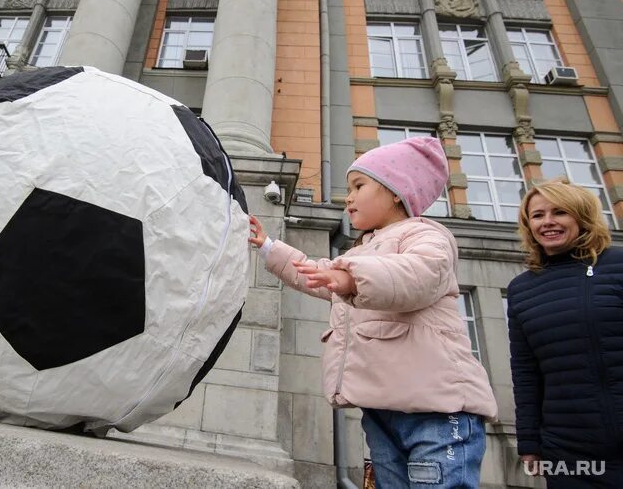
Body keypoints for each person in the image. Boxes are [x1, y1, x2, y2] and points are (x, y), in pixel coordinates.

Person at [249, 137, 498, 488]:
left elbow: (418, 274)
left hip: (440, 412)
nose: (347, 196)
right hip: (382, 409)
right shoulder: (364, 248)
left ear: (397, 190)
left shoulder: (425, 236)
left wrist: (351, 277)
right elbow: (320, 274)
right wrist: (271, 249)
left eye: (359, 186)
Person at [507, 180, 623, 488]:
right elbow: (525, 371)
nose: (547, 222)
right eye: (537, 215)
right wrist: (529, 441)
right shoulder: (521, 289)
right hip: (569, 449)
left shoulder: (618, 265)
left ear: (581, 217)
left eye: (559, 212)